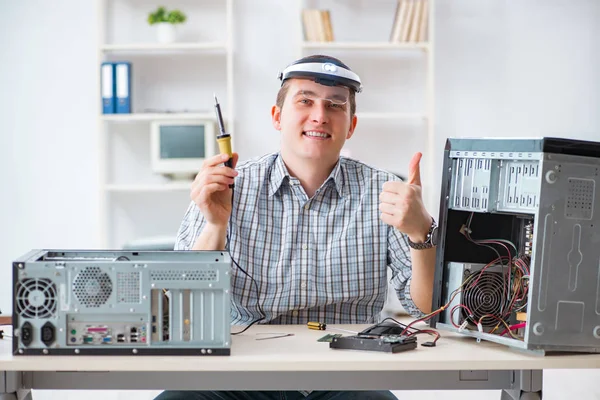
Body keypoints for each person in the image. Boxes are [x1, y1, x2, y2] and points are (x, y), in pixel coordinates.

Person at [155, 54, 437, 400]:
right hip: (241, 376)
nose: (320, 115)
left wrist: (421, 232)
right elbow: (183, 313)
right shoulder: (226, 186)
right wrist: (215, 225)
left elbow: (428, 310)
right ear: (277, 116)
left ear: (351, 126)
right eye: (305, 101)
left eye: (335, 105)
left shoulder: (386, 193)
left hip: (346, 377)